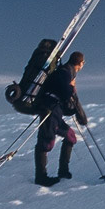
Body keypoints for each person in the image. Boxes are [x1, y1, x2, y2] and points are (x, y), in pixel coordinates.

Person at [34, 51, 88, 186]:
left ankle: (63, 171)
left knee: (71, 136)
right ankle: (41, 177)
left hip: (55, 110)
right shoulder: (65, 72)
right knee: (46, 142)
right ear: (80, 63)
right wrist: (71, 87)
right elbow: (64, 92)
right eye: (83, 63)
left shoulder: (66, 71)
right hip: (50, 108)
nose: (83, 65)